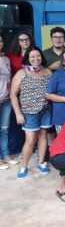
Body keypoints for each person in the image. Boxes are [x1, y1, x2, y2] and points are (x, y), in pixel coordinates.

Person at [10, 47, 52, 178]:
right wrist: (18, 113)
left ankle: (41, 162)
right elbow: (13, 94)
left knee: (43, 135)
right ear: (28, 58)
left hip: (46, 110)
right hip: (29, 112)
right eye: (32, 57)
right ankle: (24, 166)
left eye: (38, 56)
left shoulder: (47, 72)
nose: (36, 59)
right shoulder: (22, 73)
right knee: (30, 140)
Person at [0, 33, 19, 170]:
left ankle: (5, 156)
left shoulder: (6, 59)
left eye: (0, 41)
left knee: (4, 129)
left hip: (6, 99)